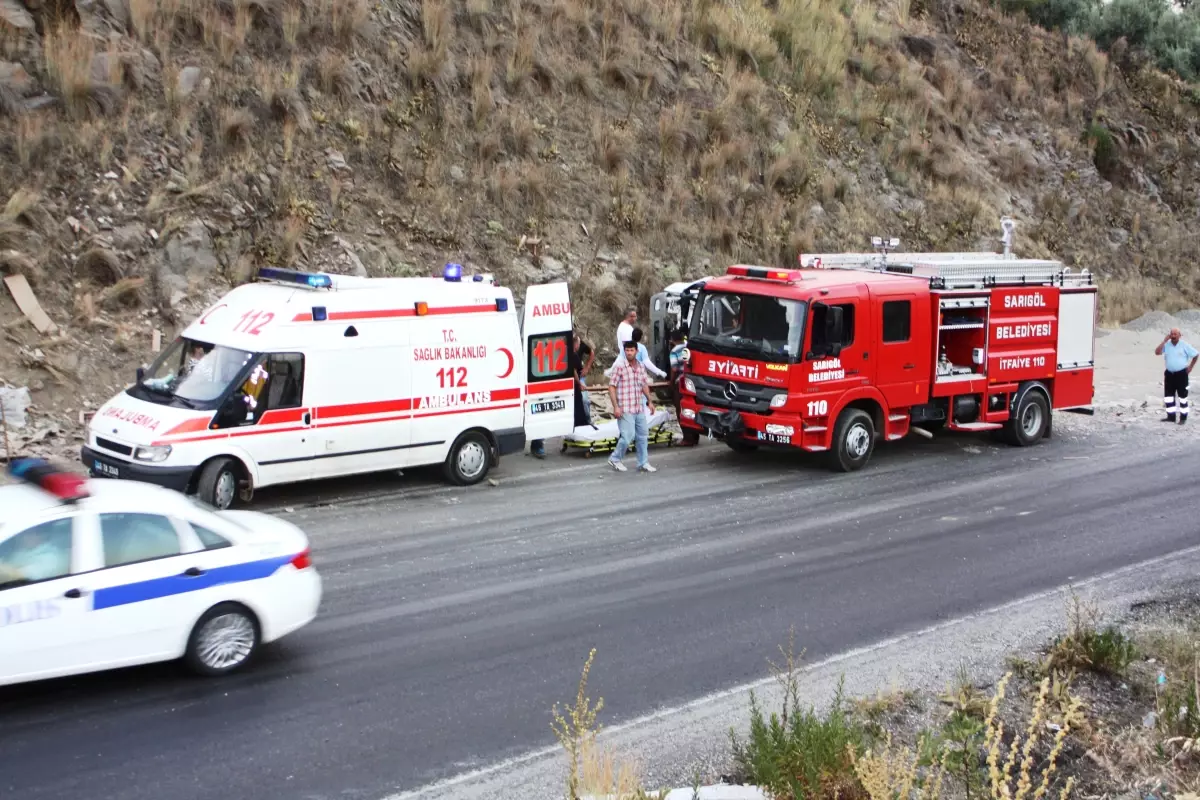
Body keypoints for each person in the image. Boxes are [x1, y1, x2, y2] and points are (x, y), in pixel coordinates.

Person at [531, 331, 595, 458]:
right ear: (575, 344)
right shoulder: (570, 355)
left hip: (560, 387)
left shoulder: (561, 352)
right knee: (574, 410)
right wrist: (579, 384)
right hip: (567, 388)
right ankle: (581, 433)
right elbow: (574, 371)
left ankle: (538, 443)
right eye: (577, 344)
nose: (578, 346)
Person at [608, 340, 657, 473]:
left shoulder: (640, 366)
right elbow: (612, 387)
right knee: (627, 436)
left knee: (642, 436)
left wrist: (650, 401)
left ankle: (643, 463)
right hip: (625, 408)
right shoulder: (619, 366)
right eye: (627, 350)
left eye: (631, 350)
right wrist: (615, 406)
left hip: (638, 407)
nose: (629, 353)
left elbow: (644, 384)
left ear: (637, 351)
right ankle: (615, 458)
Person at [1156, 327, 1199, 424]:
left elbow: (1196, 355)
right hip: (1169, 375)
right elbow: (1157, 352)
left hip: (1181, 375)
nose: (1173, 336)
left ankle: (1183, 418)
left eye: (1175, 334)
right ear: (1169, 335)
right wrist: (1164, 341)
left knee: (1182, 397)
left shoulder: (1184, 345)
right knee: (1169, 397)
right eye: (1172, 334)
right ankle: (1171, 417)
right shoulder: (1166, 345)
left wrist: (1190, 367)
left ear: (1180, 335)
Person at [668, 328, 699, 446]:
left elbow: (674, 369)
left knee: (680, 409)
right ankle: (695, 436)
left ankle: (687, 438)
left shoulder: (674, 351)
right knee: (691, 408)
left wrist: (671, 383)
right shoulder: (688, 347)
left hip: (680, 383)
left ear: (672, 340)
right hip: (691, 381)